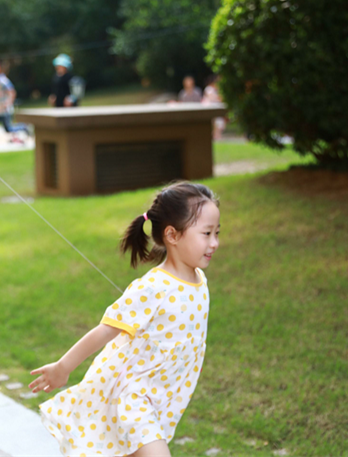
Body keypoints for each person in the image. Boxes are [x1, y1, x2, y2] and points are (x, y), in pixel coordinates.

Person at [29, 182, 221, 457]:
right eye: (206, 233)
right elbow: (106, 331)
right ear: (172, 235)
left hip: (164, 401)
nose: (214, 242)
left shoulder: (199, 281)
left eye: (216, 233)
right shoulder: (154, 287)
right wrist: (63, 366)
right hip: (133, 399)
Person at [202, 75, 227, 139]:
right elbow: (213, 99)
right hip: (209, 110)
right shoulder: (209, 89)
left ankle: (217, 137)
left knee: (218, 123)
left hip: (217, 110)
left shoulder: (219, 91)